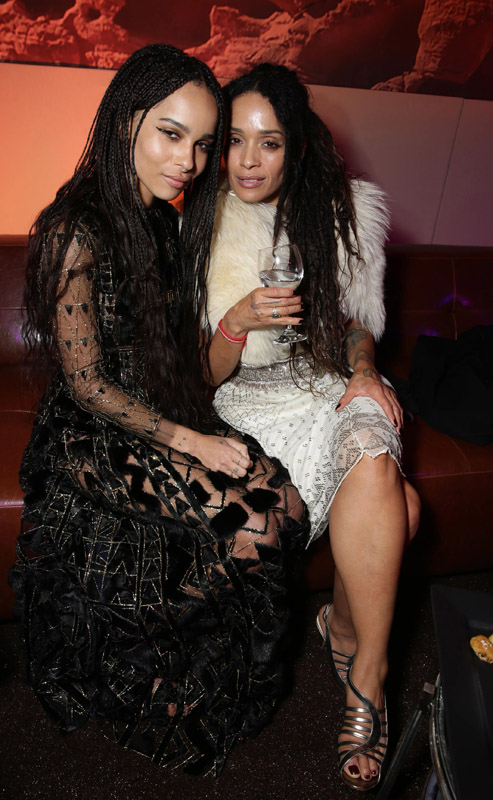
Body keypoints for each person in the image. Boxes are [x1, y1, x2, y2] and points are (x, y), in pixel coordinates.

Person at [11, 45, 308, 778]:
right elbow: (88, 385)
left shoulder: (163, 226)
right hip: (91, 432)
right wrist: (190, 442)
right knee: (255, 527)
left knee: (286, 501)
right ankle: (166, 670)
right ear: (126, 123)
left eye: (202, 144)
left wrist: (230, 333)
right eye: (171, 135)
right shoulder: (73, 230)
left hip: (156, 409)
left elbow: (174, 360)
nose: (190, 162)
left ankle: (216, 665)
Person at [204, 63, 421, 791]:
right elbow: (200, 376)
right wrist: (237, 320)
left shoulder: (341, 213)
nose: (248, 161)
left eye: (268, 143)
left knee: (372, 438)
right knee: (403, 510)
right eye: (235, 141)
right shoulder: (198, 223)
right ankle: (345, 628)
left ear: (294, 147)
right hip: (247, 404)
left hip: (328, 385)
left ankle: (368, 683)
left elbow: (358, 324)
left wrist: (363, 370)